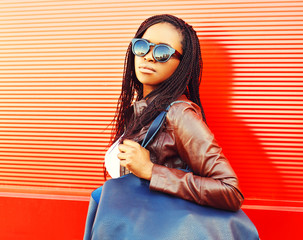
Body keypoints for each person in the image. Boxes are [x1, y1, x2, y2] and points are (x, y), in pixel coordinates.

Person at [109, 14, 244, 212]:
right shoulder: (141, 109)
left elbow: (230, 191)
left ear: (181, 65)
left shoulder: (179, 113)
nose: (147, 56)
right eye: (142, 46)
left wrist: (151, 171)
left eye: (162, 52)